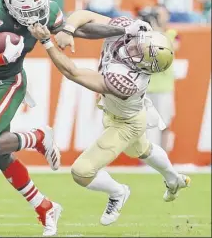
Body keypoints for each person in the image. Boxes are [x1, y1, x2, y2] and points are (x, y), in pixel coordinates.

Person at [0, 0, 134, 236]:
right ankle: (45, 207)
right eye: (29, 11)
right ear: (10, 5)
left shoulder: (46, 12)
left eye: (40, 9)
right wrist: (0, 56)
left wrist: (123, 28)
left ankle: (37, 137)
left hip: (10, 82)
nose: (37, 15)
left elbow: (78, 30)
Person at [28, 12, 190, 226]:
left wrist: (47, 41)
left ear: (144, 66)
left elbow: (73, 73)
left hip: (125, 123)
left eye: (140, 52)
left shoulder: (126, 81)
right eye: (139, 44)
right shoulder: (133, 30)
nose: (133, 47)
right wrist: (68, 29)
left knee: (81, 172)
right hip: (128, 113)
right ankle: (173, 179)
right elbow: (84, 15)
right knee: (142, 150)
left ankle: (118, 192)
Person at [138, 5, 180, 150]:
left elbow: (170, 47)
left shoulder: (172, 33)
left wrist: (155, 29)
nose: (158, 17)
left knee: (164, 123)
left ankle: (164, 156)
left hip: (164, 88)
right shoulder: (144, 35)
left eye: (160, 14)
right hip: (146, 87)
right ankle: (147, 157)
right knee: (146, 124)